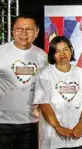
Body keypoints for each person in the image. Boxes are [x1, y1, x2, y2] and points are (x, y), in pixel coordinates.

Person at [0, 14, 48, 149]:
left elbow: (45, 88)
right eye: (19, 28)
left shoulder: (42, 56)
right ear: (12, 31)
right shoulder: (1, 52)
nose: (24, 33)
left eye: (29, 29)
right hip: (3, 123)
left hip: (31, 122)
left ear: (37, 32)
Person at [34, 36, 82, 149]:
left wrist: (81, 124)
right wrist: (58, 127)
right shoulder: (44, 74)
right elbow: (43, 104)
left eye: (65, 49)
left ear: (71, 50)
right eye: (57, 51)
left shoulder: (81, 73)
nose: (62, 54)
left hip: (76, 134)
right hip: (52, 137)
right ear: (52, 54)